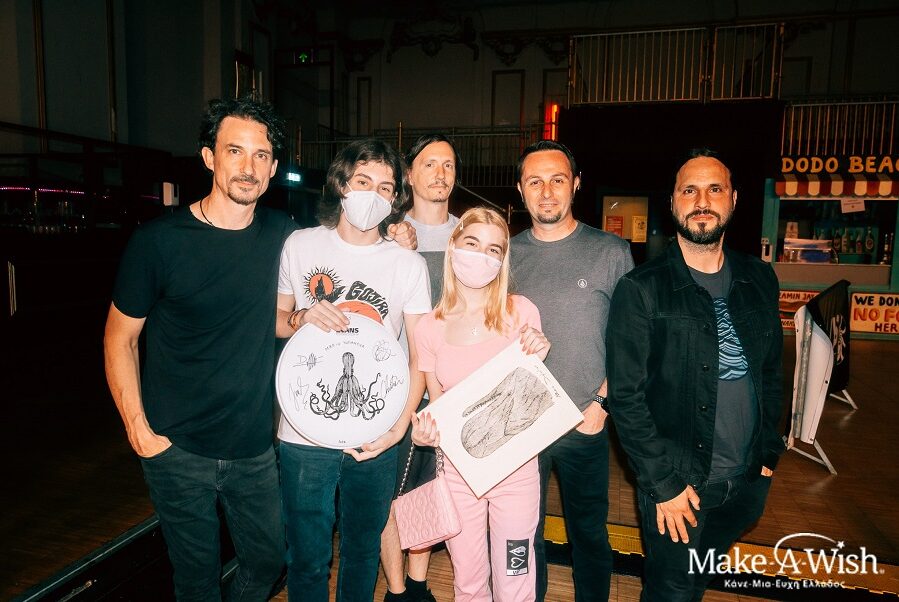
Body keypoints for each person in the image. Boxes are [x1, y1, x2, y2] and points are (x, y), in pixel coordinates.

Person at [103, 97, 294, 601]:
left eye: (260, 155)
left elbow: (341, 254)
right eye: (235, 151)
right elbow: (119, 337)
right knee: (196, 580)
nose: (248, 166)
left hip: (253, 447)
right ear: (209, 157)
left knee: (269, 561)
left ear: (273, 167)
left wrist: (397, 233)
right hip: (176, 448)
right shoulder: (158, 242)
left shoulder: (283, 235)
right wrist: (138, 429)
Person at [606, 149, 785, 601]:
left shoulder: (759, 277)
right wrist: (663, 485)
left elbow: (771, 371)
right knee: (670, 591)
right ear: (672, 203)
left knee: (697, 582)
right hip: (680, 487)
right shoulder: (641, 289)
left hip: (746, 482)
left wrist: (768, 452)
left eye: (714, 189)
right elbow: (626, 398)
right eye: (690, 190)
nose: (702, 201)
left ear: (734, 199)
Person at [276, 138, 432, 601]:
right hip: (303, 431)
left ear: (395, 199)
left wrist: (398, 428)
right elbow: (276, 320)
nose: (373, 194)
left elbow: (420, 355)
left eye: (385, 187)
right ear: (341, 184)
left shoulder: (407, 264)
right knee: (307, 557)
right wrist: (302, 317)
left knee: (363, 552)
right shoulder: (300, 245)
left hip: (375, 431)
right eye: (363, 181)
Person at [510, 140, 634, 602]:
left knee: (589, 534)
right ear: (520, 189)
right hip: (522, 425)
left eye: (557, 180)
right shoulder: (505, 254)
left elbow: (631, 341)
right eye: (535, 181)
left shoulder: (610, 252)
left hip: (585, 420)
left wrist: (601, 404)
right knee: (524, 534)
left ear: (576, 184)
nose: (546, 192)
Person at [411, 206, 551, 601]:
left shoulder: (521, 312)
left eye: (493, 249)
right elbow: (437, 404)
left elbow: (533, 395)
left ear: (502, 259)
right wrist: (424, 433)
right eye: (472, 243)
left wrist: (539, 352)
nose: (482, 256)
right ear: (453, 246)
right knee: (469, 582)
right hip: (459, 473)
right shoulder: (429, 327)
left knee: (515, 579)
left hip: (516, 472)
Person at [381, 133, 462, 602]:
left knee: (429, 491)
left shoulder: (470, 233)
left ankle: (416, 585)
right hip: (398, 385)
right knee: (390, 494)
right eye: (429, 164)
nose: (440, 173)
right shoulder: (386, 233)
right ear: (408, 174)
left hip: (451, 388)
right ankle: (396, 590)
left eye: (448, 164)